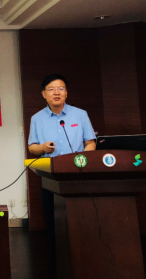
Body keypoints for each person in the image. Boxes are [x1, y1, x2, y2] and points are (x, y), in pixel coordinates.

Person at [27, 74, 96, 277]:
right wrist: (42, 147)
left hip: (77, 175)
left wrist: (82, 159)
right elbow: (32, 148)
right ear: (44, 94)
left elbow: (90, 143)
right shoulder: (37, 118)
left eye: (61, 88)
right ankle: (56, 263)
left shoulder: (80, 114)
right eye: (51, 89)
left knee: (81, 219)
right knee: (53, 220)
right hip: (51, 177)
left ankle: (84, 258)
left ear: (66, 93)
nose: (56, 92)